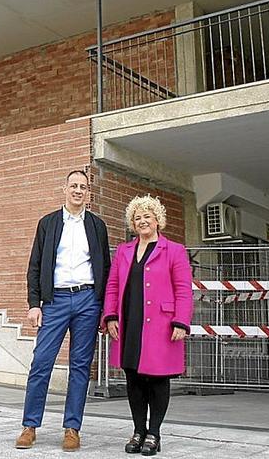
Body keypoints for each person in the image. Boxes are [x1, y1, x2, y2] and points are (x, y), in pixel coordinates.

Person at [15, 169, 111, 452]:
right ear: (64, 189)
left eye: (83, 187)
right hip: (54, 301)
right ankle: (29, 426)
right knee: (41, 363)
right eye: (73, 186)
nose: (78, 191)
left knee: (80, 367)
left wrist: (103, 307)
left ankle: (72, 428)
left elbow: (104, 267)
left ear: (88, 193)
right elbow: (35, 266)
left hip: (87, 301)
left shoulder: (96, 226)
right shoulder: (48, 223)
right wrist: (34, 304)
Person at [101, 195, 193, 456]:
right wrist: (110, 316)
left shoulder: (174, 250)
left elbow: (184, 289)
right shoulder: (123, 250)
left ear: (157, 220)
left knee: (157, 380)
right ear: (132, 222)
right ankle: (138, 430)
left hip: (162, 325)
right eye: (137, 217)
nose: (142, 221)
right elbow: (113, 285)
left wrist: (181, 321)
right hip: (129, 321)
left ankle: (154, 433)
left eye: (147, 217)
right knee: (134, 378)